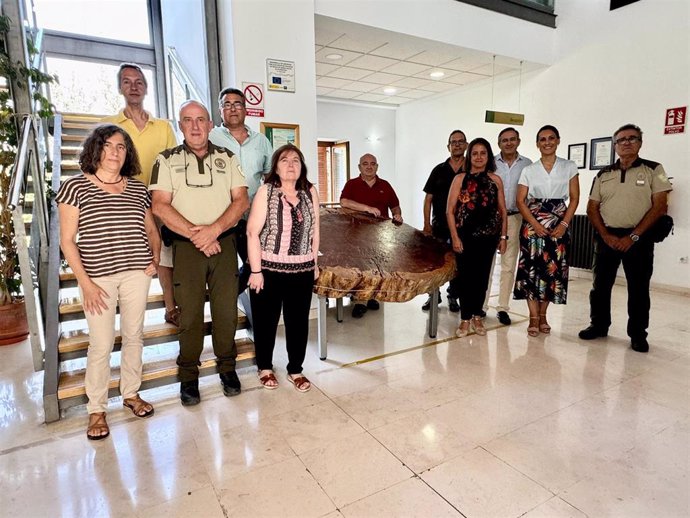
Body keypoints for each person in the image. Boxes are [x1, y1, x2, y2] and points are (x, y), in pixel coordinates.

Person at [56, 124, 160, 440]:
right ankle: (97, 409)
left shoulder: (138, 188)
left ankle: (130, 393)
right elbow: (67, 241)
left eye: (121, 147)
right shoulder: (74, 187)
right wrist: (85, 285)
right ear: (95, 149)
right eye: (109, 145)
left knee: (133, 336)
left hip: (136, 274)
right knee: (101, 344)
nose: (115, 152)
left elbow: (152, 230)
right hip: (97, 277)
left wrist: (154, 259)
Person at [150, 100, 249, 406]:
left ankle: (227, 369)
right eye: (187, 120)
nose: (195, 126)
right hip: (186, 247)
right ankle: (188, 377)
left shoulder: (228, 157)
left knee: (224, 312)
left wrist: (214, 230)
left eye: (201, 120)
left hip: (224, 244)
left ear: (210, 125)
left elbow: (241, 201)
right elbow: (160, 205)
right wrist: (200, 235)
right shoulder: (166, 159)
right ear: (180, 126)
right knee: (190, 313)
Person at [579, 124, 672, 353]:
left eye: (632, 138)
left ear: (640, 142)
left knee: (638, 288)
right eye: (621, 140)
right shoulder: (604, 174)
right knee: (600, 286)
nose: (626, 142)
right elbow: (592, 208)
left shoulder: (654, 169)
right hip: (607, 237)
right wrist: (606, 235)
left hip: (639, 238)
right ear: (615, 146)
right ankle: (598, 325)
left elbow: (660, 206)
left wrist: (633, 236)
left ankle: (638, 334)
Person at [102, 63, 179, 327]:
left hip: (160, 200)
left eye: (139, 82)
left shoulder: (163, 127)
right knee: (128, 259)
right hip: (124, 203)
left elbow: (175, 165)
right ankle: (129, 316)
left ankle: (170, 307)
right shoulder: (111, 126)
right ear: (120, 87)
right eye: (127, 82)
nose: (133, 87)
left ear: (146, 88)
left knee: (166, 257)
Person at [246, 144, 320, 392]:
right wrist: (256, 271)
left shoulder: (310, 191)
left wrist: (314, 263)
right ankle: (265, 367)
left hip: (302, 271)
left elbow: (315, 231)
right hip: (267, 270)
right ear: (276, 166)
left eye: (296, 160)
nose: (291, 164)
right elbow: (252, 232)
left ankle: (295, 370)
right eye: (285, 159)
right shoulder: (266, 191)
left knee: (298, 322)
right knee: (266, 321)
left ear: (302, 167)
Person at [513, 125, 579, 337]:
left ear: (558, 140)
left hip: (559, 224)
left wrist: (564, 225)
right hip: (533, 226)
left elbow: (575, 198)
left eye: (551, 138)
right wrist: (536, 224)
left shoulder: (569, 166)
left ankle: (543, 315)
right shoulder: (529, 170)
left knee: (553, 271)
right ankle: (533, 317)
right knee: (532, 271)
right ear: (537, 143)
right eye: (543, 139)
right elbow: (520, 201)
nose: (547, 142)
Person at [209, 87, 273, 293]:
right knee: (223, 266)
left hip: (252, 215)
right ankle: (223, 302)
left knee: (254, 263)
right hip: (222, 215)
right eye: (227, 104)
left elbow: (270, 174)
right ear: (220, 110)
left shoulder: (261, 141)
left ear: (245, 109)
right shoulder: (211, 138)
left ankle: (234, 297)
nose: (233, 109)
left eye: (237, 104)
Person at [446, 138, 507, 338]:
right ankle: (465, 319)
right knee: (465, 279)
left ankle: (477, 317)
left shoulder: (495, 179)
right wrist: (455, 237)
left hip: (488, 238)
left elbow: (502, 210)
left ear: (488, 156)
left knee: (482, 279)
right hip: (464, 236)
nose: (479, 157)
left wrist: (503, 236)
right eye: (475, 153)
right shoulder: (460, 179)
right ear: (469, 156)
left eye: (483, 153)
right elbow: (450, 211)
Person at [340, 153, 403, 318]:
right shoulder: (352, 184)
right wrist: (366, 208)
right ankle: (360, 301)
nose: (369, 166)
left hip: (381, 236)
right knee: (361, 268)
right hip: (357, 235)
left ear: (377, 166)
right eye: (365, 163)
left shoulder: (385, 185)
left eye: (372, 163)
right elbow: (344, 202)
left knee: (378, 268)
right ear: (359, 167)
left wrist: (397, 215)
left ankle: (373, 296)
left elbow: (395, 206)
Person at [483, 128, 533, 325]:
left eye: (512, 139)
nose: (509, 143)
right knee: (487, 265)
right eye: (504, 140)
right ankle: (481, 305)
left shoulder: (528, 165)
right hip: (491, 218)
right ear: (498, 143)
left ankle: (502, 308)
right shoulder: (491, 164)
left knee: (508, 264)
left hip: (515, 218)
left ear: (518, 141)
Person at [421, 129, 466, 313]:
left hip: (463, 227)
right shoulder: (438, 170)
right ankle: (433, 295)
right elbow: (428, 199)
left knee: (458, 263)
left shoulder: (471, 170)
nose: (457, 144)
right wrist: (426, 224)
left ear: (466, 145)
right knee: (435, 263)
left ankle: (453, 295)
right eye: (453, 142)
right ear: (448, 146)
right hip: (439, 226)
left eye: (460, 141)